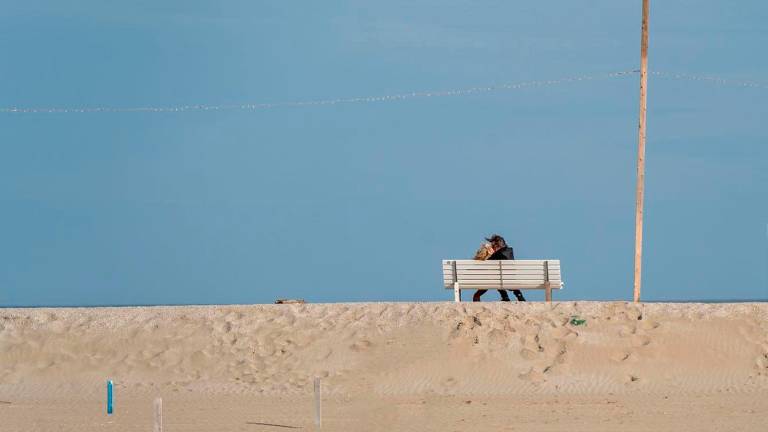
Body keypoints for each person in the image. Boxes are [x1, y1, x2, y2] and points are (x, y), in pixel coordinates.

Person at [473, 234, 527, 302]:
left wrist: (489, 253)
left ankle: (505, 296)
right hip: (512, 280)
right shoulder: (510, 251)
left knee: (496, 276)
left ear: (496, 245)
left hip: (500, 280)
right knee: (502, 276)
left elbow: (485, 264)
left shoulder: (496, 255)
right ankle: (519, 295)